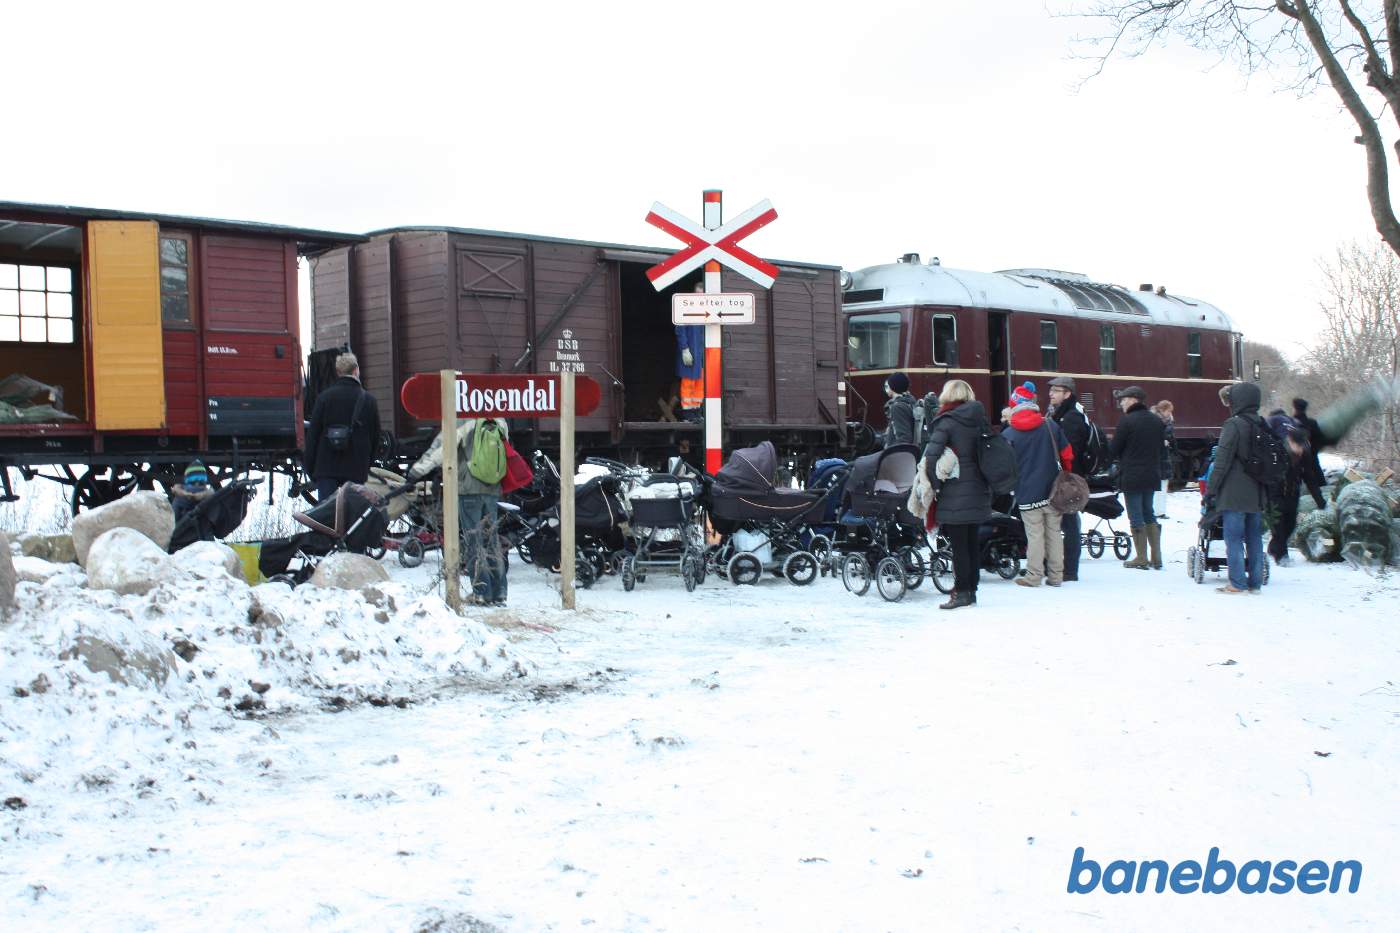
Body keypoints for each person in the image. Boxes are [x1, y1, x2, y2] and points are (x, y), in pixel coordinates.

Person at [409, 417, 511, 606]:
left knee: (474, 539)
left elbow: (442, 447)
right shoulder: (499, 419)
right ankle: (499, 592)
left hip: (469, 489)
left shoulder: (463, 420)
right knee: (491, 539)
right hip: (492, 488)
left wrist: (417, 471)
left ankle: (481, 592)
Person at [922, 379, 992, 610]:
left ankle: (961, 592)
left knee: (960, 545)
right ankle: (971, 589)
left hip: (955, 492)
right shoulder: (980, 419)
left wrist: (936, 485)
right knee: (971, 542)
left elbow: (931, 458)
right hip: (978, 490)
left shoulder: (947, 422)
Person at [1002, 382, 1074, 587]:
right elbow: (1067, 454)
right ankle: (1056, 575)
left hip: (1026, 491)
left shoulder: (1009, 434)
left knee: (1034, 534)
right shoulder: (1050, 425)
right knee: (1053, 533)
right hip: (1052, 490)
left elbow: (1004, 467)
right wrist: (1064, 473)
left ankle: (1034, 575)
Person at [1208, 382, 1269, 594]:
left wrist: (1211, 489)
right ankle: (1255, 583)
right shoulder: (1262, 424)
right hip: (1257, 491)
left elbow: (1222, 461)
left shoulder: (1233, 424)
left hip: (1234, 493)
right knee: (1254, 538)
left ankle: (1237, 583)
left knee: (1233, 538)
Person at [304, 352, 381, 502]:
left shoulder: (324, 398)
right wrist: (366, 465)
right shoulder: (369, 401)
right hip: (356, 470)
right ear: (356, 370)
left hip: (326, 468)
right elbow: (375, 438)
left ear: (338, 372)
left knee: (327, 518)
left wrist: (312, 469)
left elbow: (312, 436)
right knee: (352, 517)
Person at [1107, 385, 1164, 569]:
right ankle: (1156, 557)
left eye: (1123, 399)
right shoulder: (1156, 421)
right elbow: (1162, 450)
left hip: (1132, 475)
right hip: (1152, 473)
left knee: (1136, 516)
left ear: (1133, 399)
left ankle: (1141, 557)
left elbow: (1114, 449)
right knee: (1149, 512)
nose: (1122, 403)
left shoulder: (1127, 421)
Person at [1047, 376, 1092, 582]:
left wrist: (1066, 476)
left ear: (1067, 394)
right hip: (1065, 476)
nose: (1051, 394)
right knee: (1067, 520)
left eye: (1056, 390)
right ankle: (1063, 566)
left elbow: (1070, 450)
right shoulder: (1064, 413)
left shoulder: (1071, 416)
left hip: (1068, 478)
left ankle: (1070, 569)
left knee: (1070, 522)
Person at [1268, 423, 1327, 565]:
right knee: (1279, 525)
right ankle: (1282, 556)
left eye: (1303, 446)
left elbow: (1309, 477)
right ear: (1290, 441)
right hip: (1275, 494)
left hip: (1293, 493)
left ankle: (1273, 547)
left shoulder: (1305, 453)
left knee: (1291, 524)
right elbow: (1269, 474)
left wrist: (1320, 500)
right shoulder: (1278, 451)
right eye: (1298, 446)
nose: (1300, 450)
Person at [1290, 398, 1327, 481]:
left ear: (1294, 408)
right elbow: (1320, 438)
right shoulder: (1312, 422)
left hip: (1297, 458)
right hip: (1312, 455)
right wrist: (1314, 449)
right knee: (1317, 476)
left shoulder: (1291, 423)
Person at [882, 372, 916, 447]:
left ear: (892, 387)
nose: (886, 389)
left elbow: (904, 437)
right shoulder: (910, 401)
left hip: (898, 454)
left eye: (888, 386)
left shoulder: (898, 407)